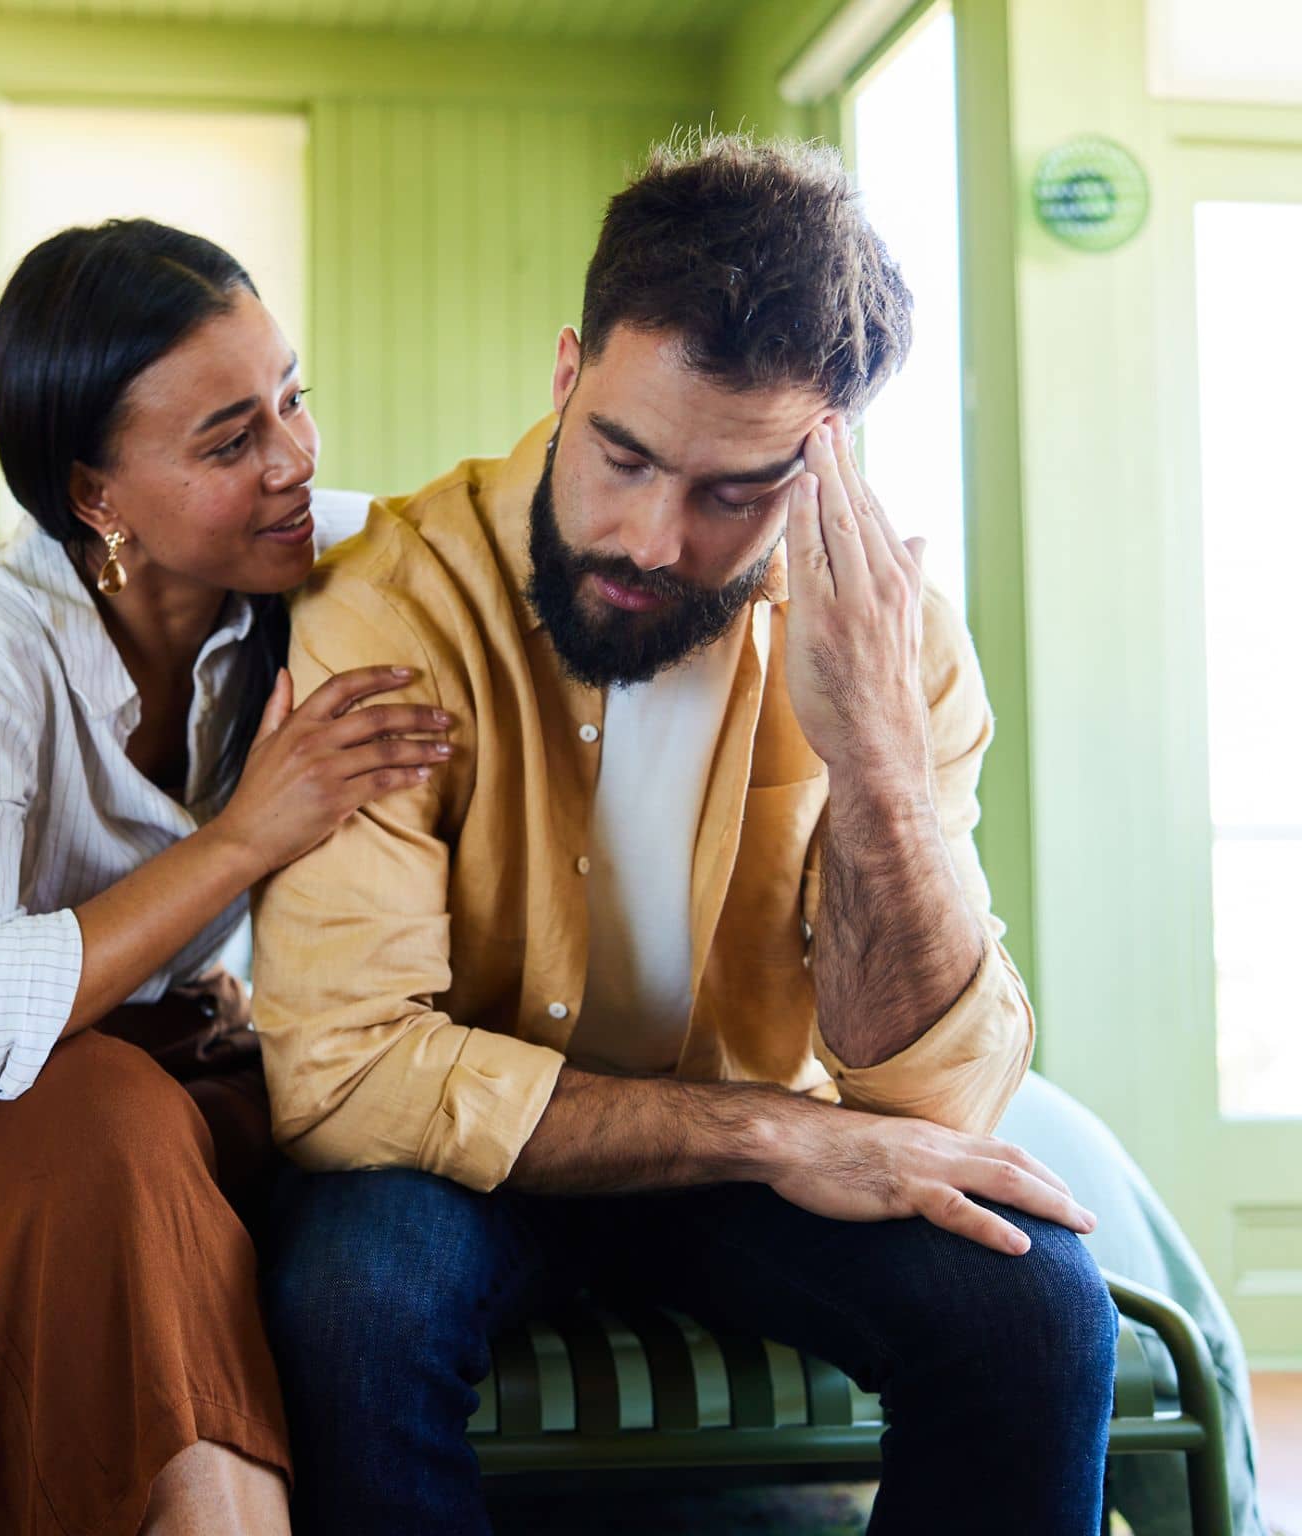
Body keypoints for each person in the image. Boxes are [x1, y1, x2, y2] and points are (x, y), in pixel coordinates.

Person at [250, 132, 1118, 1535]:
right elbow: (339, 1077)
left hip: (742, 1177)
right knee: (351, 1304)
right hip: (467, 1166)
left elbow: (942, 1098)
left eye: (734, 492)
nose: (653, 538)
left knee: (1035, 1309)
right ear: (565, 377)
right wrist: (773, 1138)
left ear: (827, 461)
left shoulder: (900, 650)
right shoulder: (391, 600)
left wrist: (880, 764)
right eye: (623, 454)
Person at [0, 218, 448, 1536]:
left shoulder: (330, 565)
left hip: (198, 1083)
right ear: (94, 495)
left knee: (268, 1147)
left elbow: (515, 533)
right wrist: (247, 835)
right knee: (109, 1124)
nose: (295, 460)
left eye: (293, 399)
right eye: (229, 440)